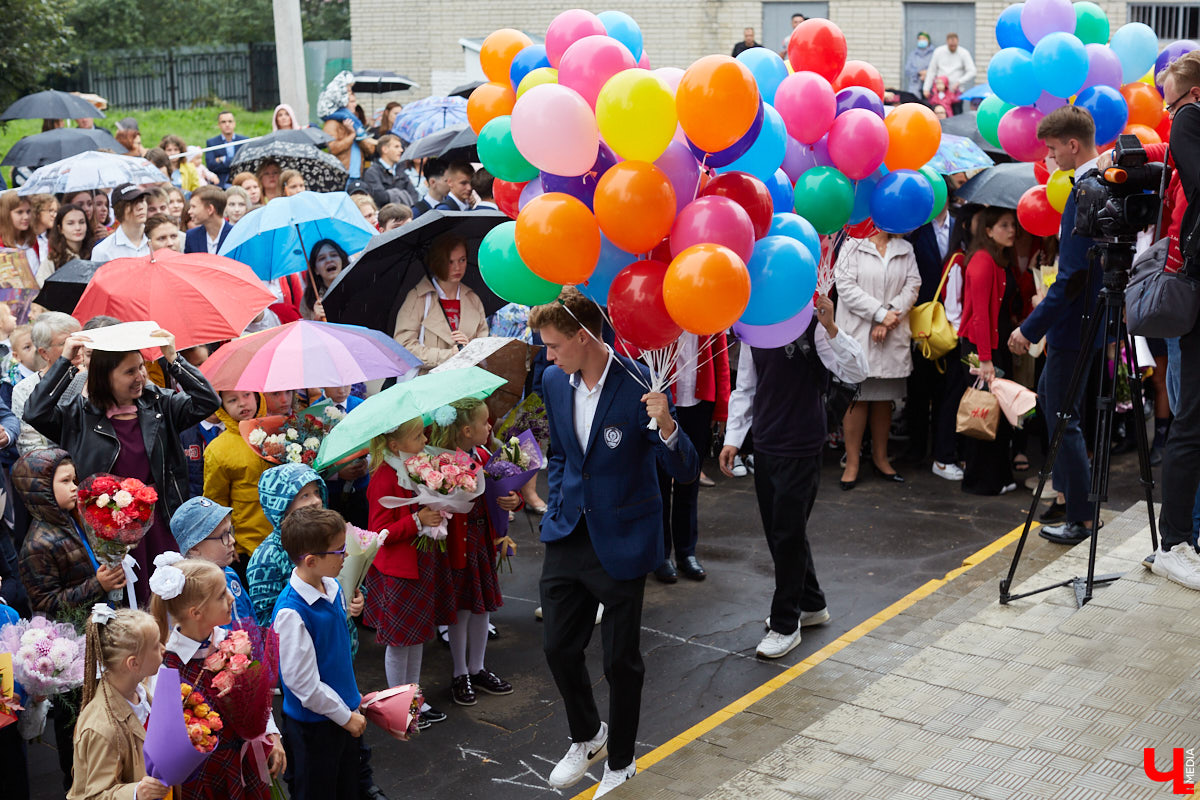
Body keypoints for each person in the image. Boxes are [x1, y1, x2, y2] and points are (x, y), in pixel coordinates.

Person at [528, 288, 699, 797]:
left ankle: (621, 762)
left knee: (620, 661)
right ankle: (588, 734)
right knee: (558, 646)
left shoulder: (639, 381)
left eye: (554, 345)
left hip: (624, 536)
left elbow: (684, 469)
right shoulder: (555, 382)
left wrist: (667, 424)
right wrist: (556, 503)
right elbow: (561, 454)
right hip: (567, 532)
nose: (549, 355)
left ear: (583, 337)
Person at [25, 328, 221, 603]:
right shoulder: (79, 416)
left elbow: (208, 401)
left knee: (171, 601)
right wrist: (65, 363)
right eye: (129, 372)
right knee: (128, 605)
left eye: (141, 367)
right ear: (106, 377)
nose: (140, 376)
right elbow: (35, 412)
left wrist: (173, 359)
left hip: (160, 522)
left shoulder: (159, 405)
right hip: (110, 535)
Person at [720, 294, 867, 656]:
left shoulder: (813, 323)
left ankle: (786, 623)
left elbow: (857, 370)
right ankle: (812, 603)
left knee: (786, 533)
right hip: (767, 443)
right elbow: (746, 388)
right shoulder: (753, 325)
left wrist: (832, 326)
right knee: (781, 531)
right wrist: (733, 439)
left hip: (802, 444)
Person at [1008, 105, 1102, 546]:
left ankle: (1081, 515)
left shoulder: (1085, 190)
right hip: (1086, 321)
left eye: (1052, 150)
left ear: (1073, 145)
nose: (1050, 160)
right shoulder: (1104, 183)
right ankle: (1072, 501)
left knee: (1064, 417)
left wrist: (1029, 328)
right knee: (1052, 401)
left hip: (1072, 325)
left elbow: (1072, 278)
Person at [14, 448, 120, 789]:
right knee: (75, 725)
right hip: (70, 654)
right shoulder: (38, 544)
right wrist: (97, 584)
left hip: (94, 635)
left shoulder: (73, 521)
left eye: (74, 479)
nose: (75, 487)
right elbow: (45, 604)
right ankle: (79, 785)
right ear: (42, 490)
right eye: (65, 481)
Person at [151, 557, 286, 798]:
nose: (232, 598)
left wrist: (271, 734)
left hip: (244, 763)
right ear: (197, 612)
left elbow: (256, 697)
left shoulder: (234, 641)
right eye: (222, 595)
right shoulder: (168, 666)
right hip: (203, 775)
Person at [272, 506, 369, 800]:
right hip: (315, 729)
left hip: (342, 714)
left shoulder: (332, 586)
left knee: (347, 788)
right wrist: (345, 717)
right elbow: (302, 685)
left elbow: (332, 647)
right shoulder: (292, 612)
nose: (346, 556)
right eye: (339, 551)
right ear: (312, 560)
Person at [363, 418, 454, 725]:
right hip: (398, 570)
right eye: (417, 436)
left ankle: (413, 698)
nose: (425, 438)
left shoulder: (415, 466)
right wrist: (417, 520)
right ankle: (398, 704)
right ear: (394, 445)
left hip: (420, 562)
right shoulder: (384, 477)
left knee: (417, 639)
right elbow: (379, 531)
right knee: (400, 642)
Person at [1148, 52, 1200, 587]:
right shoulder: (1187, 127)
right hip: (1190, 293)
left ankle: (1184, 536)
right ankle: (1179, 540)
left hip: (1189, 287)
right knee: (1189, 416)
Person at [430, 398, 519, 705]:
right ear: (467, 430)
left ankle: (477, 667)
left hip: (481, 539)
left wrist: (512, 501)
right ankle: (459, 672)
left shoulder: (483, 454)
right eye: (484, 422)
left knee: (482, 607)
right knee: (461, 610)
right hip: (458, 544)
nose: (490, 426)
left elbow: (505, 491)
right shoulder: (442, 462)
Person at [834, 230, 922, 488]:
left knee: (884, 398)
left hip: (891, 332)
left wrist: (890, 315)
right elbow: (846, 287)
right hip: (859, 333)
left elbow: (913, 284)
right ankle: (852, 463)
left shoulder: (905, 248)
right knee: (857, 398)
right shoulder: (852, 245)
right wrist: (879, 314)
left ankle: (881, 458)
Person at [69, 606, 169, 800]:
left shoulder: (141, 692)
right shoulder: (102, 728)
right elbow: (93, 796)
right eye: (156, 646)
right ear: (133, 664)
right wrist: (136, 793)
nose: (164, 648)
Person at [654, 332, 729, 583]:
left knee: (690, 479)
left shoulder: (707, 312)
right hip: (663, 403)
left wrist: (722, 407)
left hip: (698, 403)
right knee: (660, 481)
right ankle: (661, 553)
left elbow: (721, 358)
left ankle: (686, 552)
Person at [957, 207, 1020, 495]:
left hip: (995, 346)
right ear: (988, 230)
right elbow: (980, 315)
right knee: (983, 411)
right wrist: (985, 359)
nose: (1012, 230)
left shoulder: (998, 259)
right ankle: (982, 481)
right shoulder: (982, 260)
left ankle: (997, 476)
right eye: (1004, 225)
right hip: (981, 348)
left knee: (997, 411)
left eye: (1012, 225)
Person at [902, 200, 964, 479]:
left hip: (953, 321)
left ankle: (944, 447)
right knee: (918, 386)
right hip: (921, 318)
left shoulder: (961, 223)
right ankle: (917, 448)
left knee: (947, 387)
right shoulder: (915, 228)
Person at [393, 234, 489, 369]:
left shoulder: (473, 299)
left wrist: (470, 348)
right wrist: (449, 355)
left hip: (465, 382)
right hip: (430, 383)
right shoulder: (418, 297)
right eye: (450, 262)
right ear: (438, 262)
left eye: (462, 260)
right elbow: (404, 347)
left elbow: (484, 346)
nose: (457, 267)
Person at [204, 389, 273, 568]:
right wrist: (225, 540)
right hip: (245, 547)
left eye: (247, 395)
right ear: (222, 407)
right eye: (232, 400)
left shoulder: (279, 433)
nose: (242, 403)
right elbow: (215, 501)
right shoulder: (218, 449)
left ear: (258, 396)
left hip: (287, 539)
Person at [171, 496, 255, 625]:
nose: (232, 540)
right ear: (194, 547)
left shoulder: (230, 573)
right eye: (223, 535)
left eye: (230, 532)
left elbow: (250, 616)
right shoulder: (194, 589)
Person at [12, 312, 81, 454]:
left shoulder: (92, 378)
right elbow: (30, 446)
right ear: (44, 353)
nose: (76, 346)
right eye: (65, 343)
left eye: (78, 338)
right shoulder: (25, 389)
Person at [320, 72, 376, 184]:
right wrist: (351, 135)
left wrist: (358, 135)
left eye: (355, 101)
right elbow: (333, 149)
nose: (354, 105)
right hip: (341, 175)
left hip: (359, 175)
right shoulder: (332, 124)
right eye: (351, 102)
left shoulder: (355, 123)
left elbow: (371, 149)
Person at [90, 184, 150, 262]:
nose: (140, 207)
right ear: (119, 209)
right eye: (131, 203)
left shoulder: (157, 239)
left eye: (142, 201)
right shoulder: (103, 251)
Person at [362, 133, 419, 208]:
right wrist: (401, 194)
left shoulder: (400, 169)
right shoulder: (372, 172)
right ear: (385, 149)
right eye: (396, 147)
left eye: (401, 147)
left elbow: (414, 195)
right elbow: (380, 198)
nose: (401, 150)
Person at [41, 203, 95, 284]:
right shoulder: (53, 260)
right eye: (70, 223)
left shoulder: (96, 253)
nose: (78, 228)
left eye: (81, 222)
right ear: (60, 229)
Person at [923, 33, 976, 113]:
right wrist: (926, 88)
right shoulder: (939, 52)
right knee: (940, 114)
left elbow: (972, 71)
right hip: (940, 93)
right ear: (947, 42)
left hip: (955, 93)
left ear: (957, 42)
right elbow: (931, 71)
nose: (953, 47)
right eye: (951, 45)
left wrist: (959, 82)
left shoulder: (964, 53)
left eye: (954, 45)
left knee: (957, 117)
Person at [302, 239, 350, 321]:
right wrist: (316, 319)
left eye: (333, 255)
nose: (329, 260)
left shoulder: (359, 286)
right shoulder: (308, 300)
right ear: (315, 270)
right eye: (322, 258)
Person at [184, 185, 233, 254]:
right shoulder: (192, 236)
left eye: (193, 207)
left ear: (210, 209)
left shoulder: (235, 235)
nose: (189, 211)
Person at [206, 110, 249, 187]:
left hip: (242, 182)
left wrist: (223, 160)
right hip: (221, 184)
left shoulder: (244, 141)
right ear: (219, 125)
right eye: (223, 122)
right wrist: (235, 161)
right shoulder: (212, 143)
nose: (227, 124)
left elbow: (247, 163)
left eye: (230, 121)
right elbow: (211, 166)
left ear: (234, 124)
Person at [0, 191, 35, 267]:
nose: (26, 217)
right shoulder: (1, 245)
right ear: (6, 214)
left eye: (28, 211)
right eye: (20, 212)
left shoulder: (31, 240)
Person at [905, 32, 934, 98]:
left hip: (930, 88)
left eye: (924, 38)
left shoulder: (934, 54)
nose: (921, 40)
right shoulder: (913, 54)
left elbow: (936, 69)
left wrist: (927, 73)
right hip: (915, 87)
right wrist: (918, 72)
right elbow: (907, 70)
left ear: (928, 40)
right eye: (920, 39)